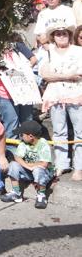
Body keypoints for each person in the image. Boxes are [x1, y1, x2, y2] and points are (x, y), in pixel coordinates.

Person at [39, 22, 82, 180]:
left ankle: (79, 167)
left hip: (76, 94)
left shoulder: (78, 51)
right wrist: (67, 76)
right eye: (58, 33)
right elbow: (45, 74)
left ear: (70, 35)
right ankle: (61, 164)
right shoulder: (48, 52)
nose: (61, 36)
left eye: (64, 33)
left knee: (80, 131)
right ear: (53, 37)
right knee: (59, 130)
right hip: (55, 95)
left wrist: (58, 76)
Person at [1, 119, 54, 209]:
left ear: (30, 136)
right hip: (30, 171)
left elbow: (44, 164)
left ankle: (41, 195)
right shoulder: (24, 143)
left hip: (44, 173)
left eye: (22, 134)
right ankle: (16, 193)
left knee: (38, 169)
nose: (21, 136)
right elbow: (17, 157)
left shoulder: (43, 144)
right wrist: (28, 167)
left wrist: (30, 166)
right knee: (13, 164)